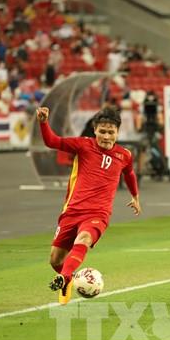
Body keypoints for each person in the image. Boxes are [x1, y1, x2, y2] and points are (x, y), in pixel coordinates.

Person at [37, 106, 141, 305]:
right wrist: (43, 122)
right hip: (72, 211)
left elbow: (129, 173)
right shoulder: (83, 145)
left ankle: (65, 278)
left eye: (111, 132)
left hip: (98, 213)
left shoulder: (124, 155)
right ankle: (71, 278)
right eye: (102, 131)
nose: (106, 136)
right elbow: (52, 141)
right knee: (55, 260)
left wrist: (135, 196)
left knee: (84, 238)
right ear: (95, 130)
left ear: (118, 132)